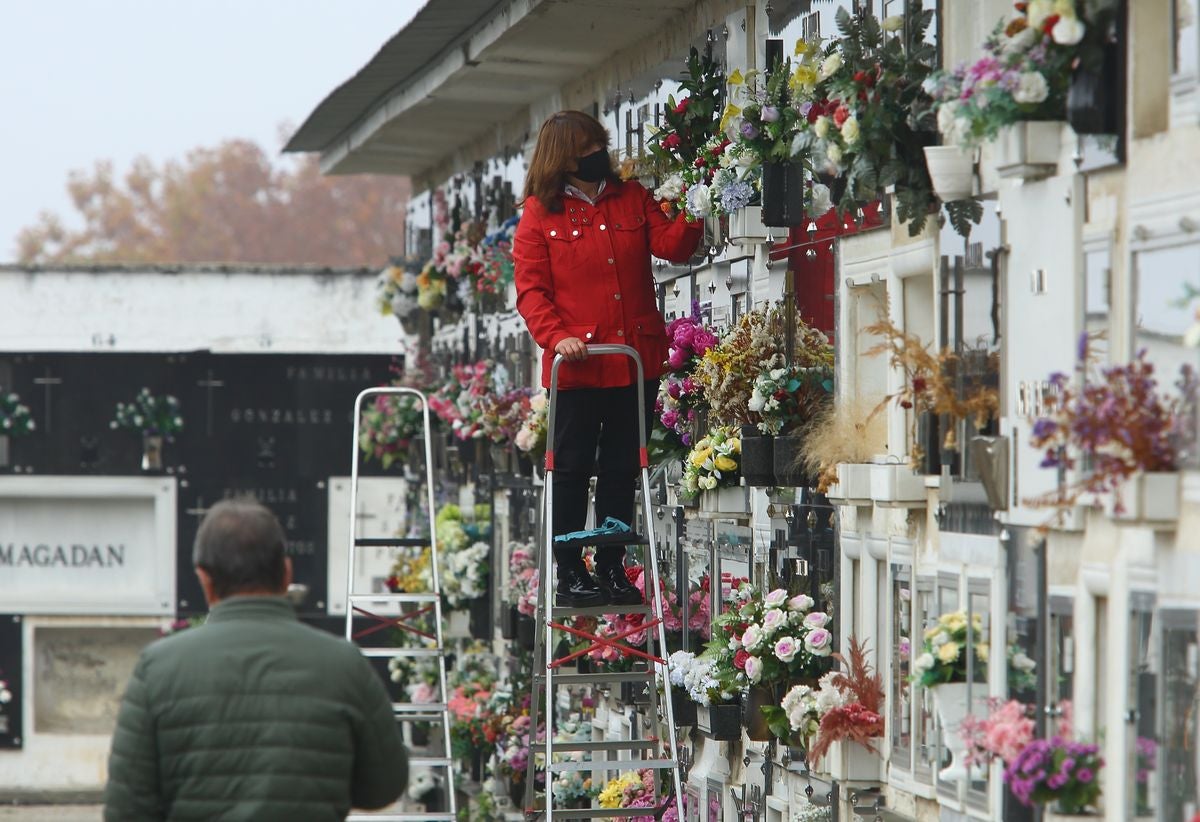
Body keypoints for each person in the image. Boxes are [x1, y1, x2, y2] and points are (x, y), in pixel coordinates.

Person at [104, 498, 407, 821]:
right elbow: (384, 786)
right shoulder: (343, 663)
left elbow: (128, 809)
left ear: (204, 579)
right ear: (286, 572)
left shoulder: (157, 668)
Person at [513, 110, 703, 607]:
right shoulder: (539, 214)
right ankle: (571, 569)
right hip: (578, 367)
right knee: (572, 469)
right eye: (588, 149)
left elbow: (673, 246)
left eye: (601, 145)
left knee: (622, 468)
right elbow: (532, 293)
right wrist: (558, 338)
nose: (600, 155)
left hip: (632, 358)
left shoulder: (631, 197)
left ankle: (614, 564)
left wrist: (698, 202)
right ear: (564, 157)